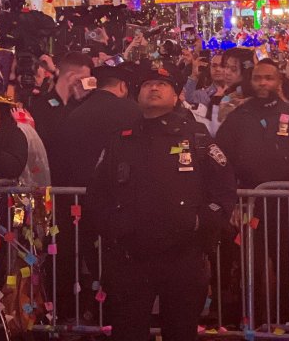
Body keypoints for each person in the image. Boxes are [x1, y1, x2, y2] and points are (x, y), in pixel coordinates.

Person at [87, 66, 237, 341]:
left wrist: (200, 221)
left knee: (180, 331)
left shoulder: (197, 136)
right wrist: (113, 225)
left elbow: (225, 189)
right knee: (128, 332)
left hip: (184, 256)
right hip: (131, 257)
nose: (153, 88)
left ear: (176, 94)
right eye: (147, 84)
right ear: (138, 94)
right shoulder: (122, 138)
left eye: (162, 84)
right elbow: (97, 192)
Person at [216, 59, 289, 188]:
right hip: (249, 198)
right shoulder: (238, 117)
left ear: (279, 82)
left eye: (269, 78)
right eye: (257, 79)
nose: (262, 83)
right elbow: (221, 157)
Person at [56, 64, 139, 186]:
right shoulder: (131, 110)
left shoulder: (75, 111)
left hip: (75, 189)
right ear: (122, 86)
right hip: (114, 189)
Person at [28, 51, 92, 168]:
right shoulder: (41, 106)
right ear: (71, 77)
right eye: (83, 79)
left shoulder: (85, 106)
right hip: (50, 177)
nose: (86, 84)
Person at [183, 52, 227, 136]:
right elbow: (187, 98)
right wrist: (194, 75)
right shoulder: (202, 94)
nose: (217, 69)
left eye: (222, 66)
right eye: (214, 66)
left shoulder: (237, 94)